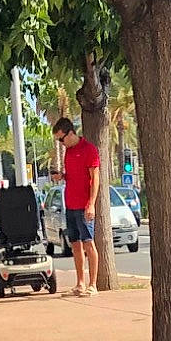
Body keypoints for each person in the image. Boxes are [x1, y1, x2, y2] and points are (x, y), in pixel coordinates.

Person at [52, 117, 100, 296]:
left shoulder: (89, 150)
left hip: (84, 205)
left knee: (88, 243)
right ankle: (80, 282)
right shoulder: (68, 152)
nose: (60, 143)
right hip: (70, 204)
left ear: (70, 133)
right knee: (75, 244)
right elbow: (73, 175)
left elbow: (95, 178)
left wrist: (91, 204)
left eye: (61, 139)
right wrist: (62, 176)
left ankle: (93, 284)